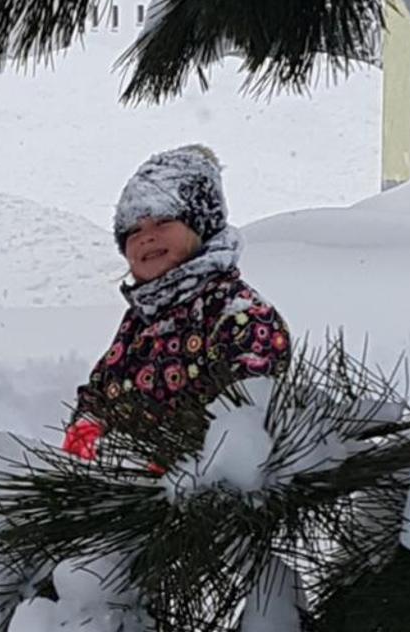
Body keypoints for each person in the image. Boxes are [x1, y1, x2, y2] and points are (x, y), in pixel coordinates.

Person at [62, 145, 290, 465]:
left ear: (202, 226)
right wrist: (87, 426)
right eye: (133, 230)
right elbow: (104, 387)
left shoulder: (242, 319)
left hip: (199, 496)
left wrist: (170, 465)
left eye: (163, 221)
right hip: (122, 489)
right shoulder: (141, 320)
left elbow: (246, 422)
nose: (147, 237)